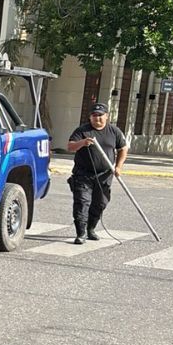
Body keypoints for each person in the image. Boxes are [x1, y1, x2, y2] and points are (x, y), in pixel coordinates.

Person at [66, 103, 128, 245]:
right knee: (82, 203)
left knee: (100, 203)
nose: (97, 118)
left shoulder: (114, 131)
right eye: (94, 115)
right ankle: (80, 233)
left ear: (106, 116)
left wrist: (118, 166)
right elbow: (70, 146)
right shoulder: (82, 130)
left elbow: (123, 149)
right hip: (83, 175)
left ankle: (91, 228)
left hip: (105, 175)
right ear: (90, 117)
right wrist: (82, 143)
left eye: (100, 115)